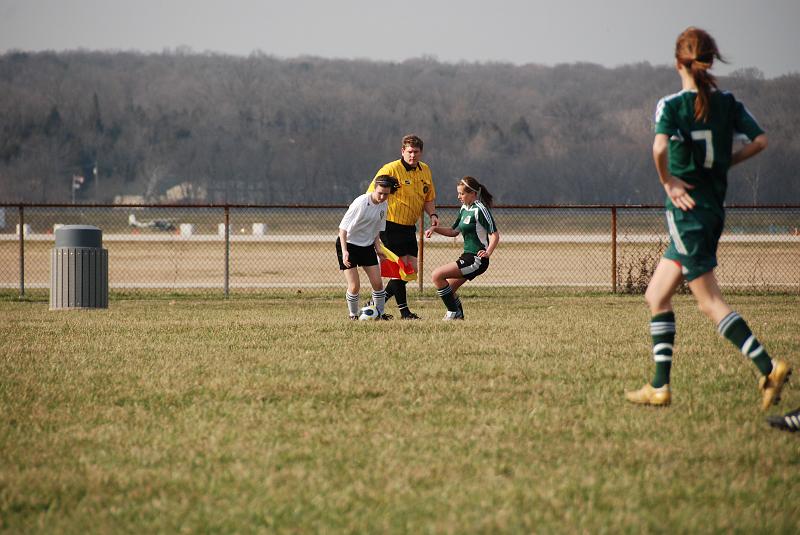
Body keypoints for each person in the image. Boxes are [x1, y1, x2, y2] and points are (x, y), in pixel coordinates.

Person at [625, 27, 790, 409]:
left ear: (677, 61)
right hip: (713, 209)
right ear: (710, 60)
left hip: (688, 214)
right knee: (657, 294)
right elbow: (761, 140)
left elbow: (659, 147)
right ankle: (660, 386)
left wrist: (669, 181)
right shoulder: (729, 102)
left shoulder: (671, 105)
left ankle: (768, 366)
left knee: (710, 302)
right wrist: (726, 163)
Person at [367, 134, 438, 319]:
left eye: (416, 152)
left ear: (421, 153)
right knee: (400, 271)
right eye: (409, 152)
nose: (412, 155)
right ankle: (401, 311)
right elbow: (372, 195)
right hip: (390, 226)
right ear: (402, 151)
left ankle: (374, 304)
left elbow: (428, 198)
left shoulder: (425, 171)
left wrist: (433, 215)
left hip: (409, 227)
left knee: (410, 271)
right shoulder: (390, 169)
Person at [424, 176, 499, 320]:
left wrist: (488, 252)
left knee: (437, 275)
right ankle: (458, 317)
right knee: (449, 290)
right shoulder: (464, 208)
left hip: (477, 259)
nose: (459, 197)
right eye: (458, 193)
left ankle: (453, 313)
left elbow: (495, 235)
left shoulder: (480, 209)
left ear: (472, 193)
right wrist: (434, 229)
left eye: (462, 193)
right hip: (466, 256)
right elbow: (454, 231)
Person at [337, 175, 399, 320]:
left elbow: (376, 230)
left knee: (378, 284)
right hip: (349, 245)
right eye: (380, 193)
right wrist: (345, 251)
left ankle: (381, 314)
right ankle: (353, 315)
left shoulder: (384, 205)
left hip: (367, 246)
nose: (383, 196)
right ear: (374, 189)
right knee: (354, 286)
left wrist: (378, 249)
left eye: (386, 194)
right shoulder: (361, 202)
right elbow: (342, 229)